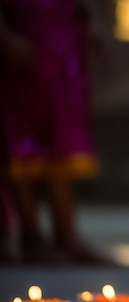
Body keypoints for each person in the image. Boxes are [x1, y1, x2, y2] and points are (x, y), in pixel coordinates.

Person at [0, 0, 109, 265]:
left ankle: (67, 234)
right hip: (22, 34)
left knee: (64, 137)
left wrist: (93, 19)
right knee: (21, 140)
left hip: (63, 42)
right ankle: (31, 235)